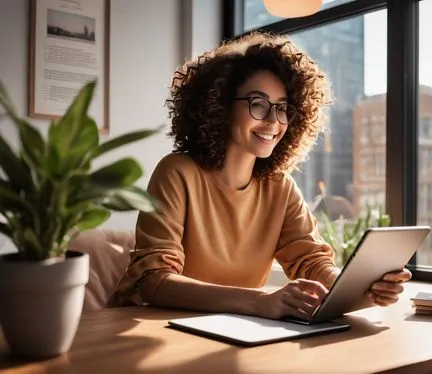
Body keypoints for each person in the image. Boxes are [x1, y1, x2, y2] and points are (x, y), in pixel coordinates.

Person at [109, 32, 411, 321]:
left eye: (282, 109)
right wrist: (259, 301)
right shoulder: (177, 172)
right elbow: (153, 281)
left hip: (227, 330)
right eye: (258, 104)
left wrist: (357, 286)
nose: (273, 121)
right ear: (221, 105)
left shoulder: (279, 186)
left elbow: (311, 261)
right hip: (145, 327)